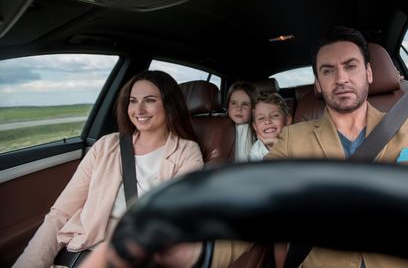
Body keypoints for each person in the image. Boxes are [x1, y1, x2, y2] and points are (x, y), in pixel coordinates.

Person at [79, 26, 408, 268]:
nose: (340, 77)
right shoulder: (292, 140)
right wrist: (196, 251)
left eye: (349, 66)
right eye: (328, 70)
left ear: (367, 72)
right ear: (317, 83)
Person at [13, 70, 204, 268]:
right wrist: (30, 263)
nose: (138, 109)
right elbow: (61, 212)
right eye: (132, 100)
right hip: (85, 248)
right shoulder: (106, 145)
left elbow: (177, 219)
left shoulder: (187, 151)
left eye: (149, 100)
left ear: (169, 104)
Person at [249, 93, 292, 161]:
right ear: (255, 127)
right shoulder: (256, 151)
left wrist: (277, 145)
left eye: (275, 115)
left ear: (287, 120)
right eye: (261, 118)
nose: (267, 121)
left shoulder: (296, 142)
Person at [225, 81, 259, 162]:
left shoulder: (259, 130)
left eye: (245, 104)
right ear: (228, 106)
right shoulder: (221, 128)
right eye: (233, 103)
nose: (238, 108)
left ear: (254, 107)